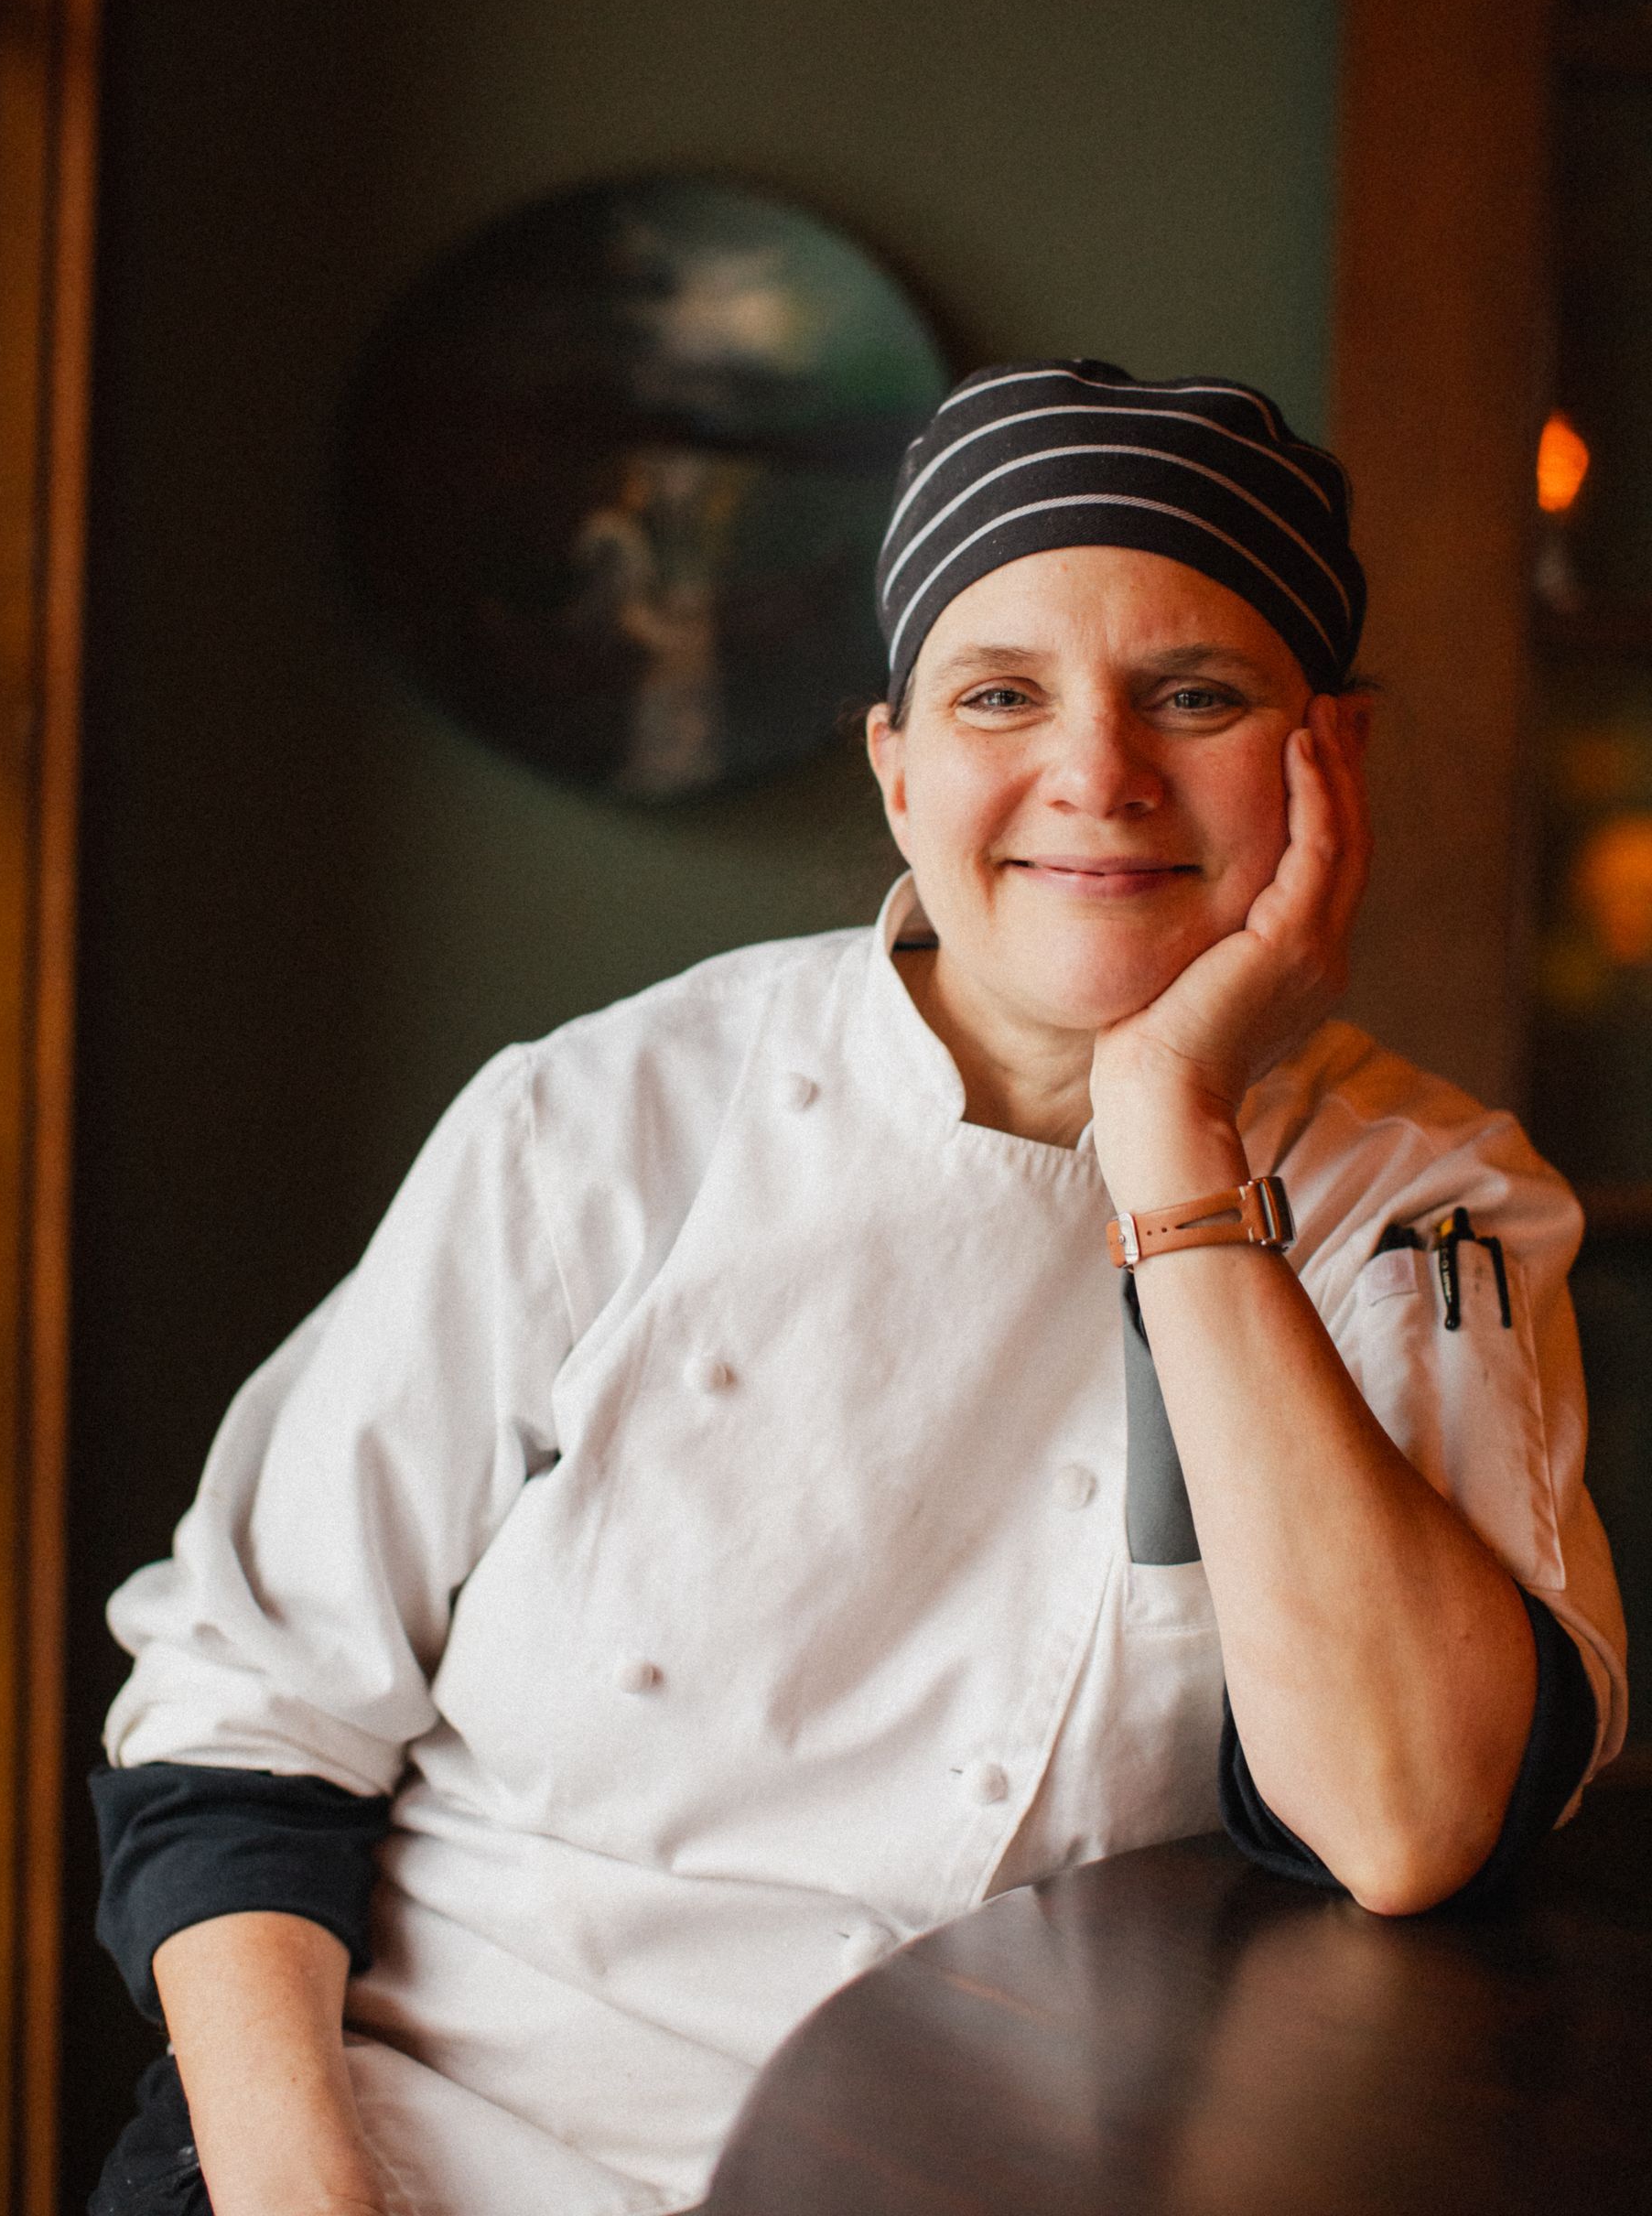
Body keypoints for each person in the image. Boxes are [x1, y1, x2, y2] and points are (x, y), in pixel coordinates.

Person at [90, 361, 1625, 2216]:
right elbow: (244, 1730)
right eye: (1001, 697)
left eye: (1196, 695)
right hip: (414, 2146)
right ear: (899, 768)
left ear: (1335, 757)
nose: (1099, 775)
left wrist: (1171, 1145)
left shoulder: (1422, 1206)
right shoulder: (602, 1125)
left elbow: (1408, 1820)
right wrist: (302, 2197)